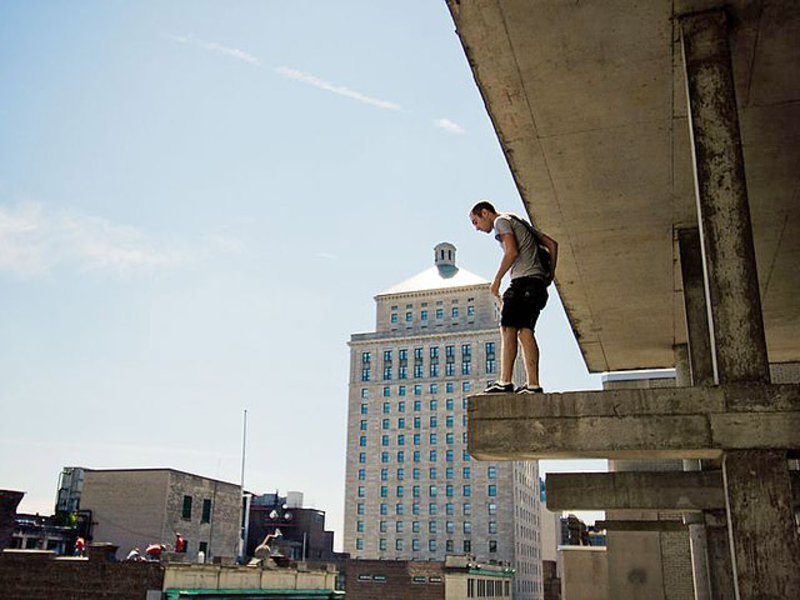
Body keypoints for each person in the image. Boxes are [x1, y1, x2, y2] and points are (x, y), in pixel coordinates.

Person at [470, 200, 558, 393]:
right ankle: (533, 385)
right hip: (536, 285)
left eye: (476, 222)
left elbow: (511, 251)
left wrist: (497, 280)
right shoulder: (517, 220)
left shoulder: (500, 221)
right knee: (525, 331)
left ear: (485, 213)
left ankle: (505, 382)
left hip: (522, 282)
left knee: (508, 328)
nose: (477, 228)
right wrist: (549, 275)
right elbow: (552, 244)